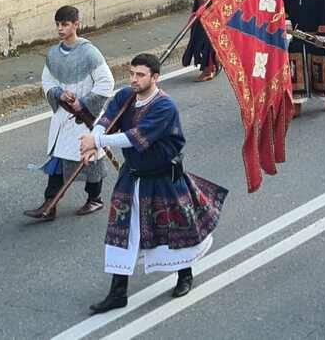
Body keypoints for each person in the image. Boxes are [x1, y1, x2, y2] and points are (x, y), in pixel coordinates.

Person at [84, 53, 228, 314]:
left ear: (155, 77)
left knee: (175, 227)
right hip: (132, 175)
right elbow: (106, 119)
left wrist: (100, 142)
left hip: (163, 176)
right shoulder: (125, 96)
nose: (134, 79)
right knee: (121, 233)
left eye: (140, 75)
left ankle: (184, 274)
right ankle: (118, 292)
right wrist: (94, 138)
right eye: (132, 74)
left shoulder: (165, 107)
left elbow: (134, 137)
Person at [25, 5, 115, 221]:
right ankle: (50, 203)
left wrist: (83, 105)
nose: (60, 29)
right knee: (57, 158)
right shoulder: (54, 54)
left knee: (90, 158)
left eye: (64, 24)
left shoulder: (90, 53)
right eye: (57, 24)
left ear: (76, 24)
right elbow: (48, 81)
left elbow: (106, 83)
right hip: (63, 116)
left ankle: (95, 198)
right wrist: (58, 93)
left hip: (85, 118)